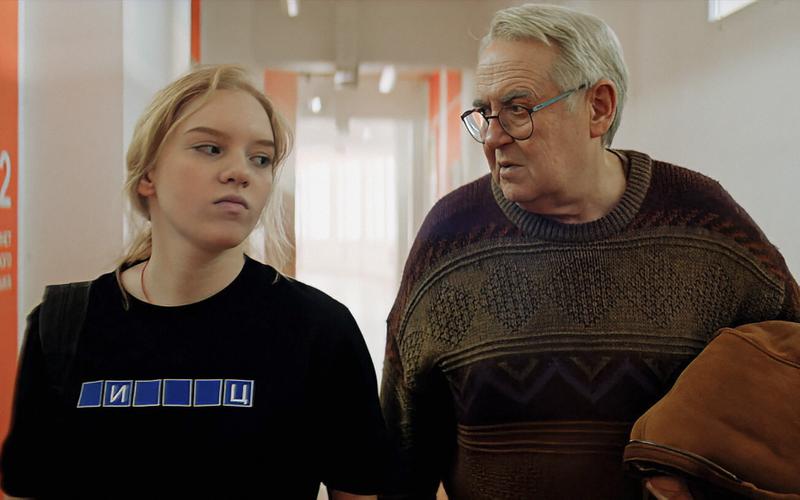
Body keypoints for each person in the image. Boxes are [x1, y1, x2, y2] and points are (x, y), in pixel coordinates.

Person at [379, 4, 800, 500]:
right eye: (485, 113)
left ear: (599, 107)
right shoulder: (449, 238)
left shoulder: (707, 225)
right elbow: (401, 449)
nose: (493, 137)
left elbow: (789, 370)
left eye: (518, 110)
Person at [1, 65, 388, 499]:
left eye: (260, 158)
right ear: (148, 175)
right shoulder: (61, 327)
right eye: (211, 148)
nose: (240, 172)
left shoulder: (321, 331)